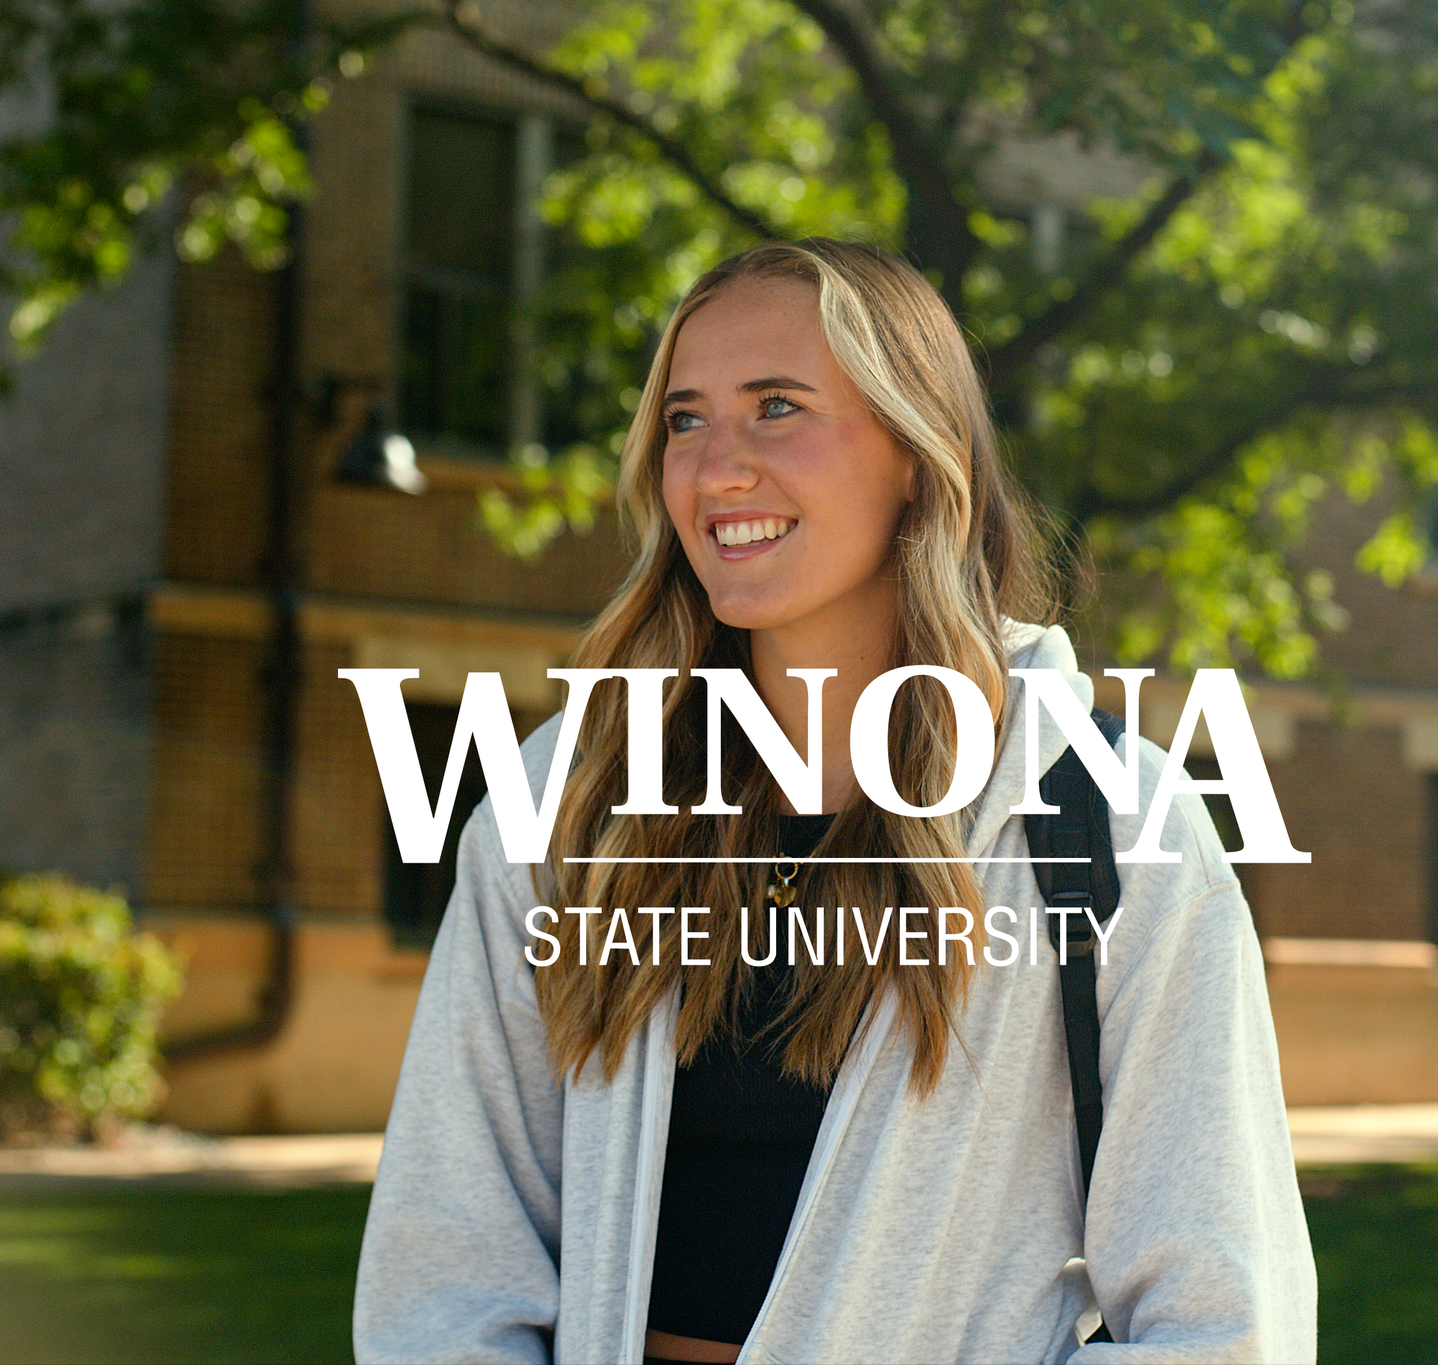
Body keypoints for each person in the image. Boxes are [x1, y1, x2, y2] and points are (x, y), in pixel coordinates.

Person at [352, 239, 1316, 1363]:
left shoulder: (1101, 821)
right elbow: (448, 1265)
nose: (716, 469)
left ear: (920, 451)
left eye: (776, 407)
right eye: (684, 418)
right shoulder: (566, 804)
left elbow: (1221, 1318)